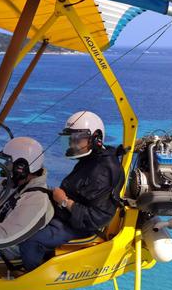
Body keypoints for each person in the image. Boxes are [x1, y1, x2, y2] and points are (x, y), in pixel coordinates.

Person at [19, 111, 123, 271]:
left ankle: (30, 274)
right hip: (64, 214)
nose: (72, 144)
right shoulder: (94, 157)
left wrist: (65, 202)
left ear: (95, 138)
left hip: (77, 226)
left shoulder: (103, 171)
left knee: (30, 240)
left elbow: (97, 218)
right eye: (70, 139)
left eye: (77, 138)